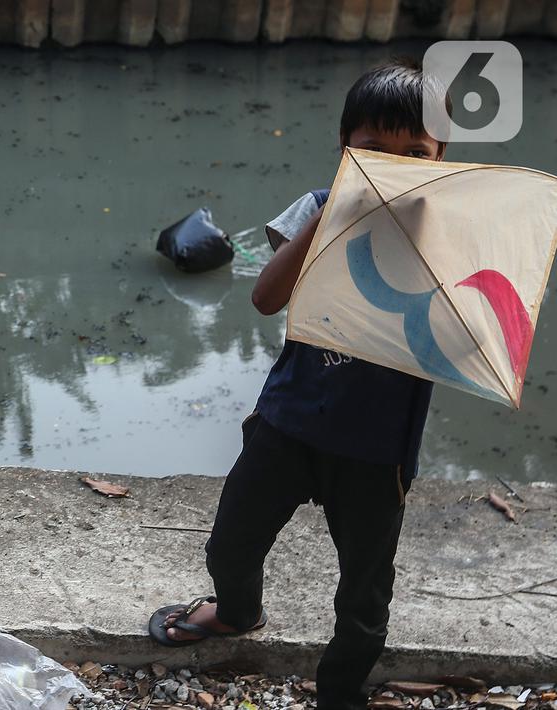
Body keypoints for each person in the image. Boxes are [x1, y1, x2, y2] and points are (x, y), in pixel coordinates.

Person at [147, 59, 445, 710]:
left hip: (376, 451)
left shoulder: (450, 234)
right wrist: (335, 211)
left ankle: (338, 695)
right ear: (344, 151)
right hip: (287, 422)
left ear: (440, 158)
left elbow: (463, 338)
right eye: (373, 151)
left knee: (363, 596)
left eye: (413, 153)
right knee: (230, 543)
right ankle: (235, 611)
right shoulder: (314, 207)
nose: (392, 166)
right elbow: (263, 296)